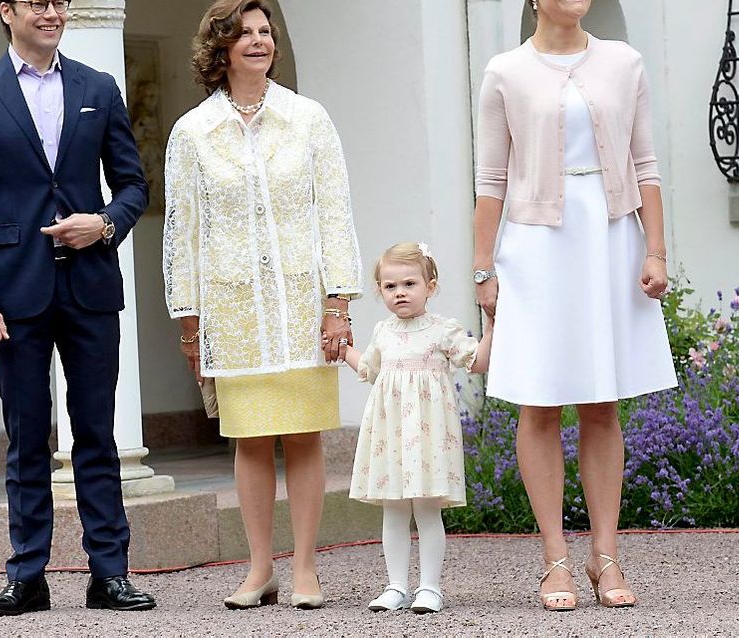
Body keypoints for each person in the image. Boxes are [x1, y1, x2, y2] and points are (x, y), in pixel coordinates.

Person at [0, 0, 155, 616]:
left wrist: (105, 223)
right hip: (12, 292)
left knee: (97, 434)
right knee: (26, 438)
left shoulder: (99, 86)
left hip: (89, 286)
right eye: (38, 2)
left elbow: (133, 184)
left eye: (59, 1)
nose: (53, 11)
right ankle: (27, 575)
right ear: (7, 11)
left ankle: (108, 573)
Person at [472, 0, 678, 611]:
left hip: (611, 238)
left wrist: (657, 251)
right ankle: (554, 560)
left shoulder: (623, 62)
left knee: (602, 403)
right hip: (534, 246)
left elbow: (646, 164)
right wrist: (483, 269)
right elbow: (490, 180)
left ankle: (605, 555)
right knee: (538, 405)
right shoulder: (505, 72)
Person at [162, 0, 363, 611]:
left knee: (303, 437)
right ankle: (258, 569)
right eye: (245, 33)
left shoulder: (308, 119)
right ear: (220, 47)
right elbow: (182, 234)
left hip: (302, 306)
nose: (259, 41)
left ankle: (305, 568)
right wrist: (190, 324)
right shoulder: (192, 132)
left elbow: (334, 211)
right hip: (233, 314)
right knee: (249, 441)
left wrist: (338, 304)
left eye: (265, 31)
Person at [342, 243, 494, 614]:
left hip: (428, 436)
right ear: (380, 291)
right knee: (393, 509)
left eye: (409, 284)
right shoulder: (383, 331)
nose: (400, 293)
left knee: (427, 510)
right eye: (390, 287)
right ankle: (396, 585)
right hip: (391, 434)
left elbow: (476, 362)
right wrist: (342, 348)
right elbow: (369, 369)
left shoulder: (443, 330)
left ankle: (429, 587)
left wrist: (493, 324)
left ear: (431, 285)